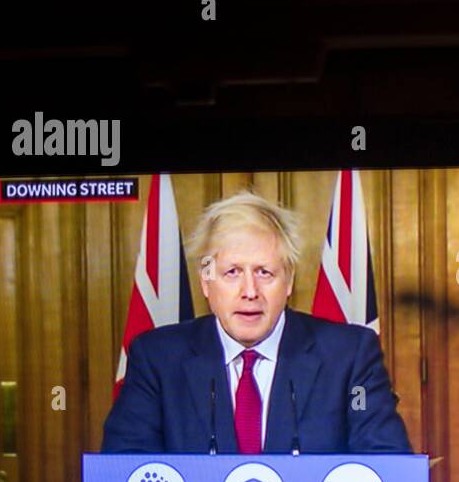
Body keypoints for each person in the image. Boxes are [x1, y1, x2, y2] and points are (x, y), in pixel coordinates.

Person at [102, 191, 411, 454]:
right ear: (206, 282)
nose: (250, 292)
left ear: (288, 281)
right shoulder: (157, 358)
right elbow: (125, 470)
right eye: (232, 272)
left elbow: (385, 465)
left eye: (264, 272)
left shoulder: (349, 355)